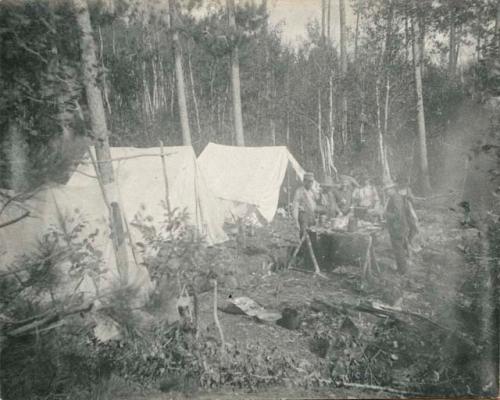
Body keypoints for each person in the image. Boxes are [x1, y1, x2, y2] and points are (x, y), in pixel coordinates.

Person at [383, 182, 411, 274]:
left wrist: (384, 214)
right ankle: (401, 269)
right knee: (398, 249)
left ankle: (402, 271)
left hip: (398, 227)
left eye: (387, 190)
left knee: (398, 249)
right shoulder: (394, 197)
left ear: (393, 189)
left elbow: (397, 215)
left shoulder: (396, 198)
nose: (386, 192)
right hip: (397, 227)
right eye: (386, 190)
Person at [292, 172, 319, 238]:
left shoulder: (313, 191)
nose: (310, 184)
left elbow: (316, 204)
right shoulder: (299, 191)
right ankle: (303, 248)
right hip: (303, 217)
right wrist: (296, 221)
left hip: (312, 217)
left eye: (312, 182)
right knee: (304, 236)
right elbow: (295, 207)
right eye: (309, 181)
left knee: (313, 235)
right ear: (304, 181)